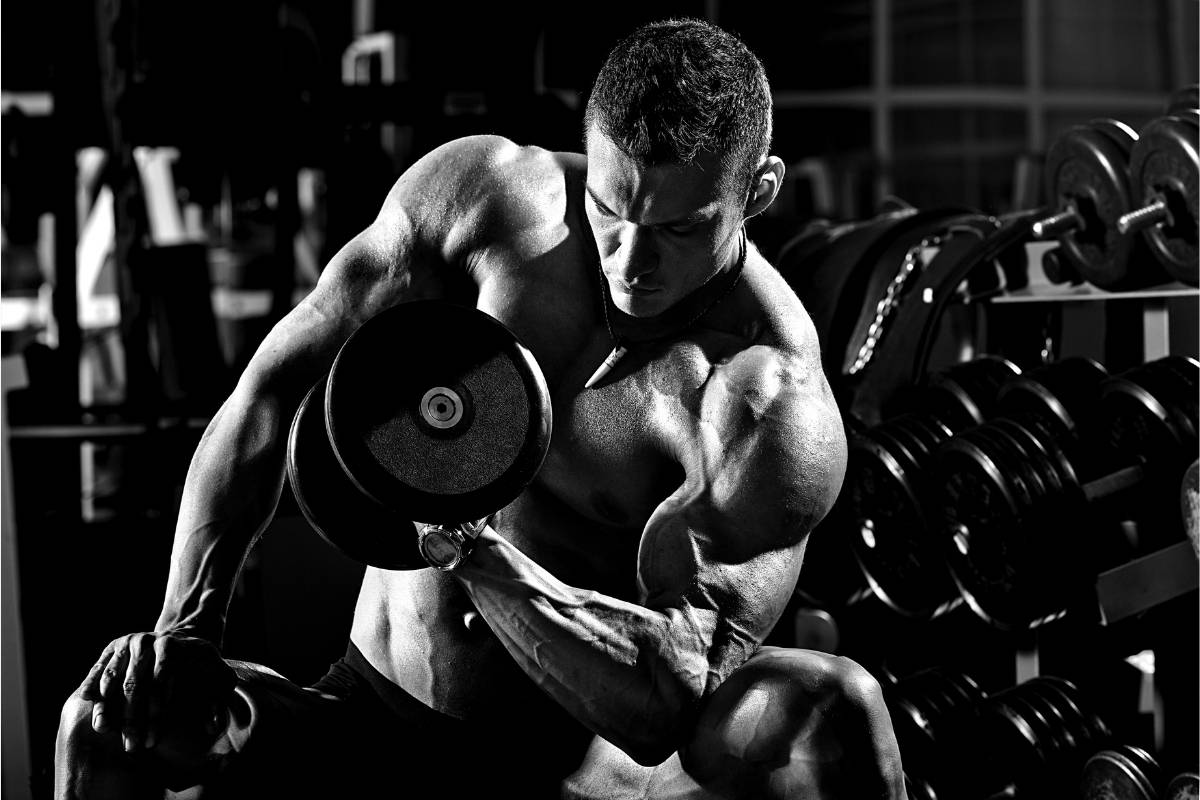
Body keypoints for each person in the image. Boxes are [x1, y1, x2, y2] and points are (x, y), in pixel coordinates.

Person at [55, 17, 906, 800]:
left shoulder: (763, 397)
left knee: (830, 710)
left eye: (681, 229)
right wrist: (187, 627)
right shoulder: (486, 197)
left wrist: (468, 548)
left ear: (759, 190)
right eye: (611, 210)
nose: (632, 260)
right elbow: (271, 389)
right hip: (371, 708)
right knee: (108, 721)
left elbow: (662, 699)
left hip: (573, 764)